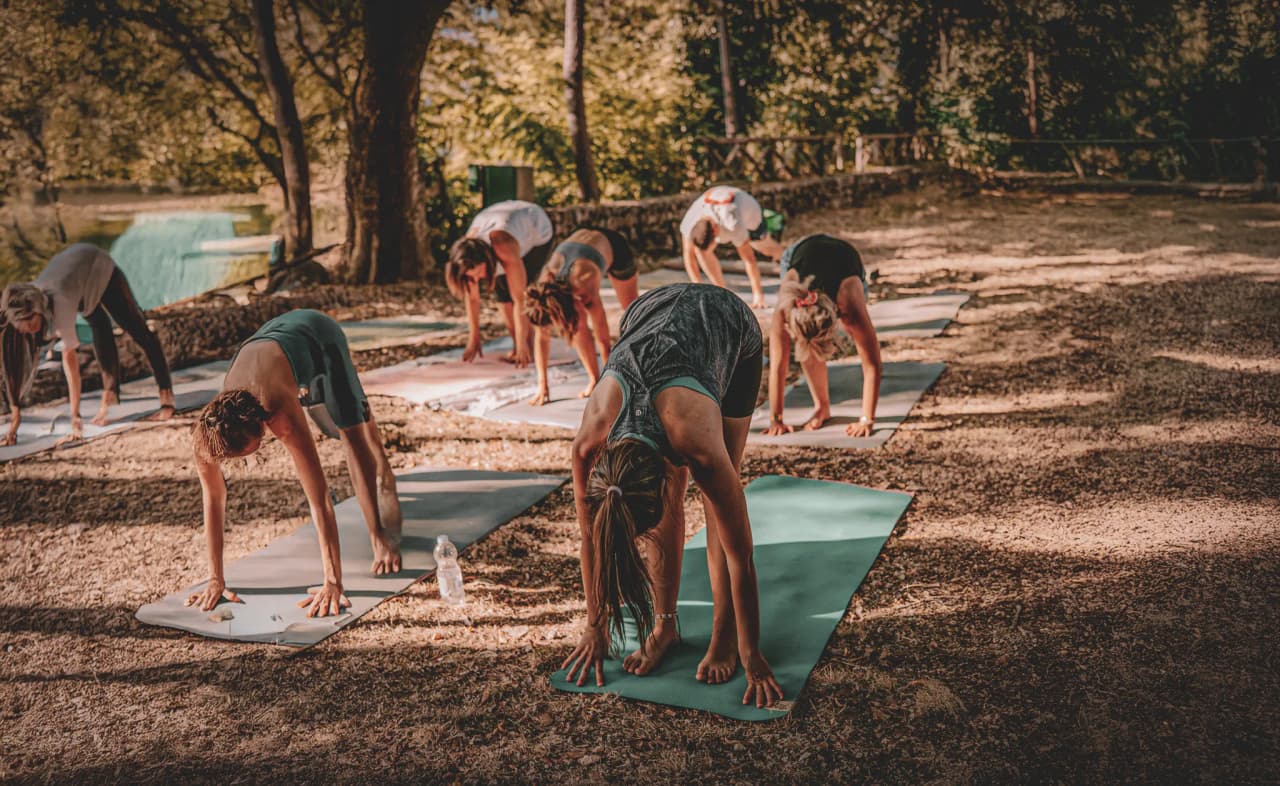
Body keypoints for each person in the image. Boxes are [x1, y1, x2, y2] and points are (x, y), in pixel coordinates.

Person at [560, 283, 784, 709]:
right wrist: (595, 626)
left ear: (666, 484)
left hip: (727, 325)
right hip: (649, 311)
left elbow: (741, 557)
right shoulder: (590, 445)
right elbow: (591, 536)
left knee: (720, 502)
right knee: (646, 506)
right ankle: (664, 628)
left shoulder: (698, 444)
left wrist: (749, 653)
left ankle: (721, 633)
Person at [186, 309, 402, 618]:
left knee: (349, 429)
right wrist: (215, 578)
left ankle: (377, 530)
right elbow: (213, 496)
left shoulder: (282, 415)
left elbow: (320, 500)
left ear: (265, 426)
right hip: (276, 342)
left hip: (320, 336)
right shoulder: (209, 429)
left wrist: (332, 581)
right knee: (332, 419)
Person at [0, 243, 175, 446]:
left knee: (136, 328)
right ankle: (110, 394)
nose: (29, 330)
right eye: (23, 327)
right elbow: (13, 368)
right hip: (77, 280)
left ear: (38, 311)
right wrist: (14, 423)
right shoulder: (25, 303)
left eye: (31, 324)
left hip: (97, 265)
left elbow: (70, 364)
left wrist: (75, 416)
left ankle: (166, 396)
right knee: (99, 327)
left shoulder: (61, 305)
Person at [763, 234, 882, 437]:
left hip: (845, 259)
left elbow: (872, 365)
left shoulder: (849, 300)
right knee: (807, 346)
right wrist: (777, 419)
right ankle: (822, 407)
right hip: (800, 251)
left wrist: (866, 419)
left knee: (852, 331)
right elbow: (778, 364)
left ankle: (823, 406)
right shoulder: (785, 306)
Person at [523, 227, 641, 406]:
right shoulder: (544, 288)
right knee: (577, 325)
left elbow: (602, 335)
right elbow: (542, 338)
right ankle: (593, 378)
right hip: (582, 245)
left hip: (614, 247)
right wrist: (543, 386)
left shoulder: (584, 281)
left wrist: (611, 381)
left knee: (635, 312)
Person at [445, 200, 554, 368]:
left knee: (520, 291)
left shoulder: (504, 246)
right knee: (502, 295)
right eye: (473, 277)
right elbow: (473, 298)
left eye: (479, 273)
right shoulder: (467, 252)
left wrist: (522, 343)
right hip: (504, 219)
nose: (478, 279)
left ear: (485, 260)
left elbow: (519, 300)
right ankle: (518, 345)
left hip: (537, 230)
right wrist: (474, 337)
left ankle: (528, 346)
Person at [680, 186, 786, 309]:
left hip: (750, 214)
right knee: (702, 252)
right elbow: (688, 255)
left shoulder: (732, 223)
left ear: (715, 231)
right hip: (721, 203)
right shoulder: (689, 223)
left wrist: (758, 295)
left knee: (766, 249)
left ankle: (788, 256)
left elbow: (749, 259)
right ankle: (722, 293)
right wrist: (697, 291)